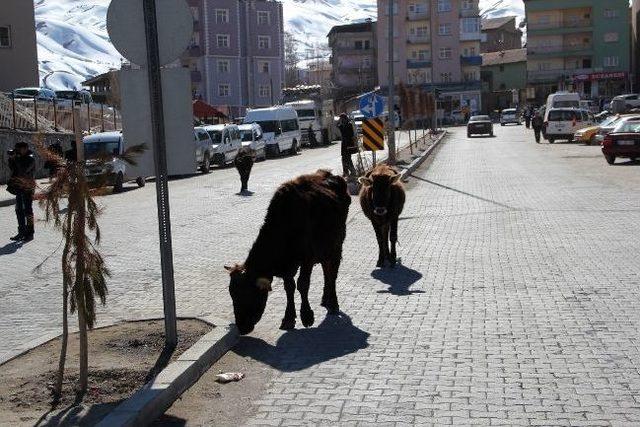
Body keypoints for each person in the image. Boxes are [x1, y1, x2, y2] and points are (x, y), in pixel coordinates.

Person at [7, 142, 36, 241]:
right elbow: (13, 170)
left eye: (20, 149)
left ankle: (30, 233)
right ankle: (21, 232)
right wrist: (11, 159)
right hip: (19, 187)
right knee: (19, 210)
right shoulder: (18, 157)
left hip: (28, 187)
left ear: (26, 148)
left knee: (28, 210)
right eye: (18, 149)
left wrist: (16, 158)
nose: (19, 151)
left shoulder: (30, 158)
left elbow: (24, 170)